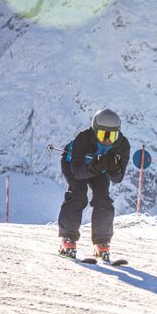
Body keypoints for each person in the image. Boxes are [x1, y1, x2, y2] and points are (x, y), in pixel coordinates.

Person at [58, 109, 130, 262]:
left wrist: (113, 168)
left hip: (98, 170)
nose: (107, 140)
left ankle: (101, 242)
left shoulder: (122, 146)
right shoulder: (83, 139)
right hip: (73, 165)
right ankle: (68, 239)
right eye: (103, 135)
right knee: (78, 196)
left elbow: (118, 178)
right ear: (94, 131)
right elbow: (77, 172)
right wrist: (94, 167)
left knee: (103, 199)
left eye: (112, 135)